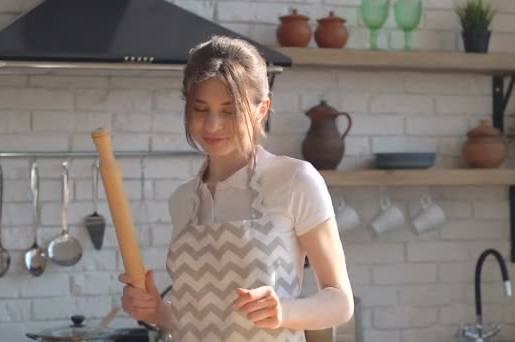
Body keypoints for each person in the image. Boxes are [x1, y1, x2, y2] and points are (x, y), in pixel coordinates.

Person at [119, 35, 353, 341]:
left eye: (229, 110)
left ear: (261, 110)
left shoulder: (296, 180)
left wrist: (283, 311)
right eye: (201, 109)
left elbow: (340, 301)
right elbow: (197, 317)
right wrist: (154, 310)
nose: (213, 125)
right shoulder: (183, 200)